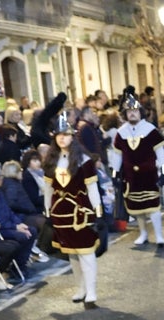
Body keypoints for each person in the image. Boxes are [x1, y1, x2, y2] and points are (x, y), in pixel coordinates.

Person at [43, 115, 104, 308]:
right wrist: (47, 211)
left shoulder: (84, 160)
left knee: (86, 253)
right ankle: (81, 289)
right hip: (60, 214)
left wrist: (98, 212)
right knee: (72, 254)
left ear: (72, 136)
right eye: (59, 135)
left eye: (65, 135)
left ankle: (92, 291)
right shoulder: (51, 160)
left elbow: (92, 188)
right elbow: (48, 189)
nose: (62, 138)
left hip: (80, 213)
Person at [108, 91, 164, 251]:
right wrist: (114, 174)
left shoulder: (150, 130)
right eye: (129, 111)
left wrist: (163, 172)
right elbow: (117, 157)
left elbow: (160, 154)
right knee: (137, 208)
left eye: (135, 111)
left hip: (149, 176)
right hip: (131, 177)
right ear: (125, 113)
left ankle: (159, 235)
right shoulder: (121, 133)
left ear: (140, 112)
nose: (132, 113)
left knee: (153, 206)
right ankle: (143, 234)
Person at [0, 162, 37, 274]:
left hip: (7, 225)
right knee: (22, 236)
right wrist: (15, 227)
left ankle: (19, 266)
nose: (3, 179)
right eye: (1, 176)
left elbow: (8, 211)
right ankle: (17, 268)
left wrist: (19, 224)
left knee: (31, 230)